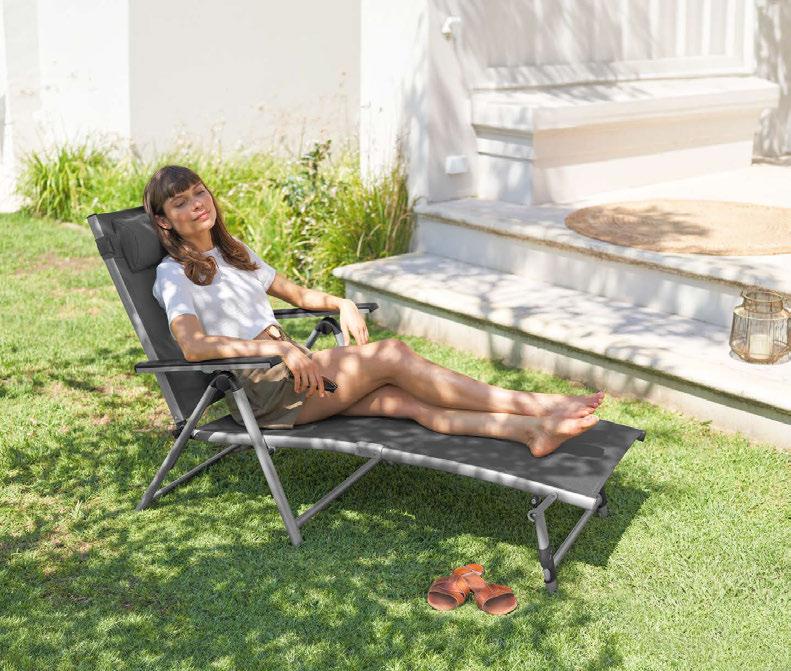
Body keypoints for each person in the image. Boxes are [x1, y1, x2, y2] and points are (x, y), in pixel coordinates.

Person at [145, 165, 603, 457]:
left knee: (409, 403)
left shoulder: (235, 252)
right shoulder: (174, 274)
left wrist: (341, 302)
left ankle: (530, 431)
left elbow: (298, 294)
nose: (196, 205)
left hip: (293, 376)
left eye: (199, 193)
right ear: (164, 221)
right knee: (392, 355)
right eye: (180, 202)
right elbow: (193, 345)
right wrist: (279, 351)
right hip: (260, 387)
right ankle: (537, 404)